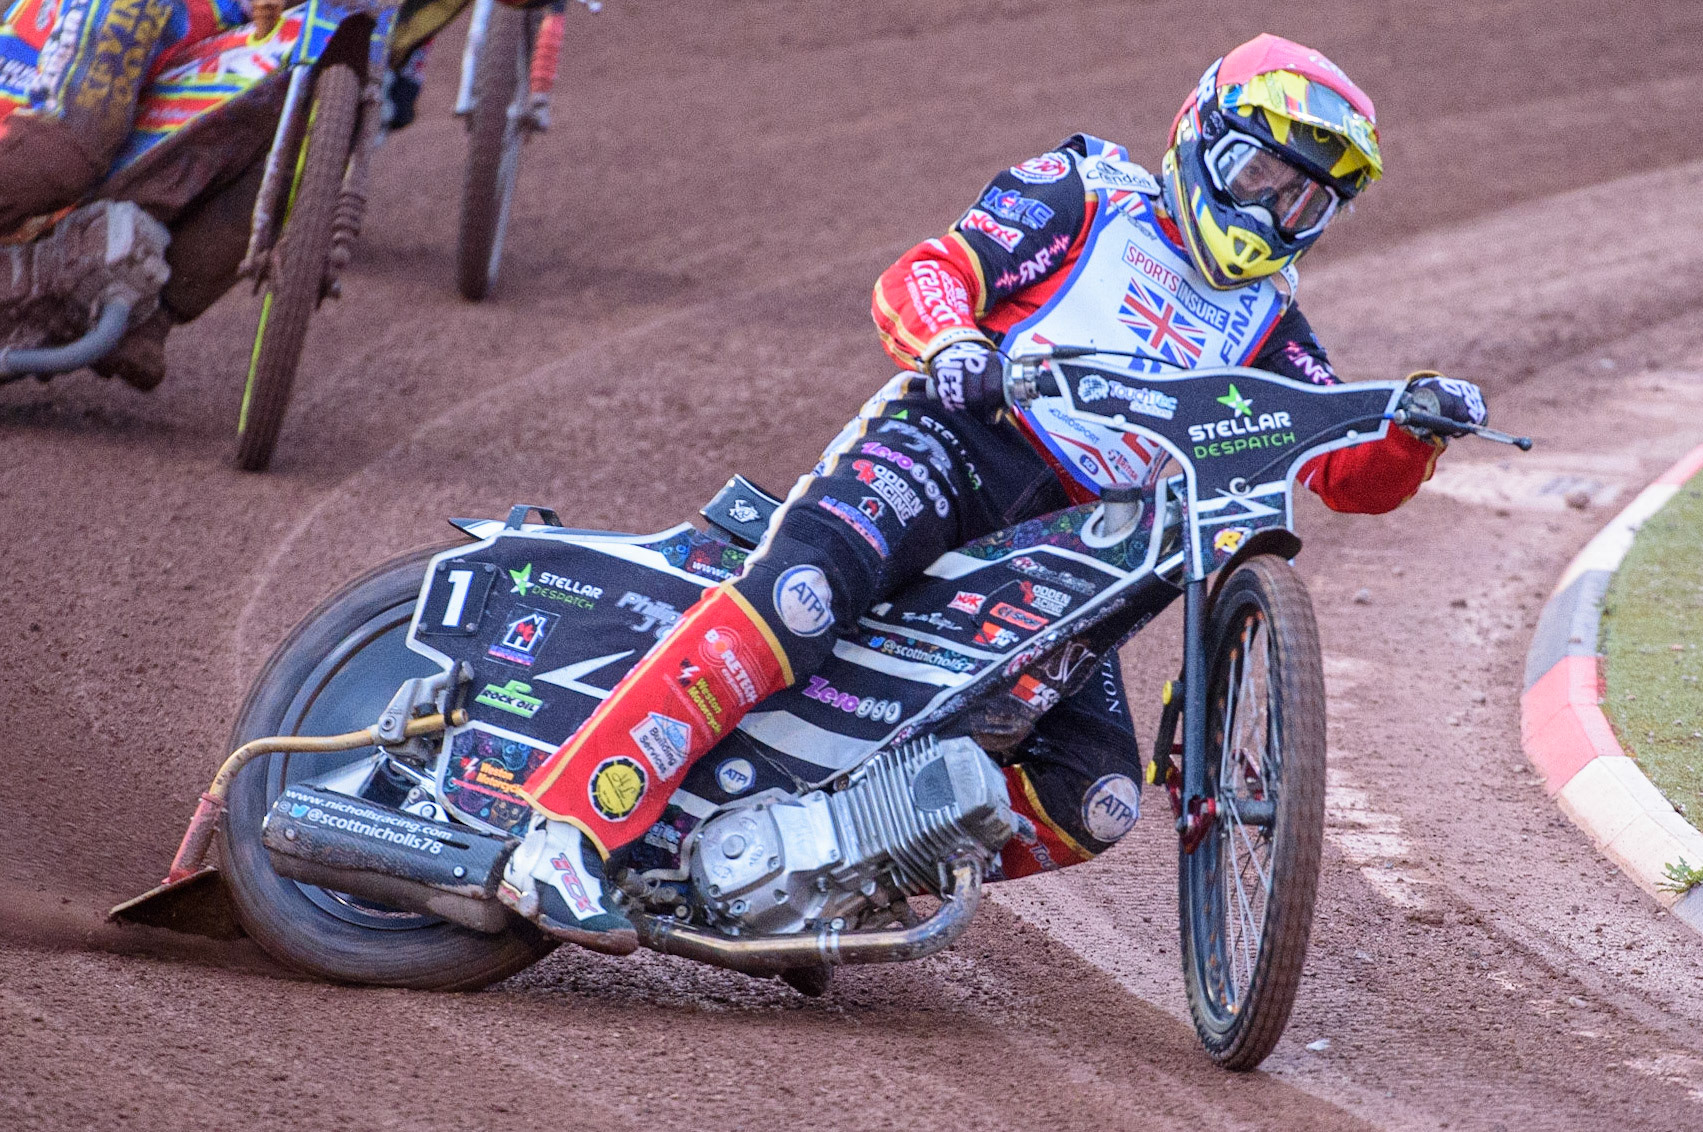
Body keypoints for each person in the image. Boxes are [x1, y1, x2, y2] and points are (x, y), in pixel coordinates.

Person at [498, 33, 1491, 954]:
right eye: (1257, 176)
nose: (1272, 212)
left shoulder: (1276, 334)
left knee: (1095, 793)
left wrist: (1409, 433)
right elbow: (923, 275)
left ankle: (832, 870)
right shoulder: (1083, 192)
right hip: (953, 446)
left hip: (1078, 551)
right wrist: (956, 343)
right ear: (1199, 138)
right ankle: (564, 831)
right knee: (798, 598)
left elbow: (1345, 477)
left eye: (1304, 202)